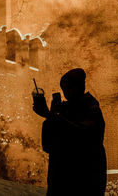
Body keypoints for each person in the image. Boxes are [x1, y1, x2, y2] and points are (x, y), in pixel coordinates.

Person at [32, 68, 107, 196]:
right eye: (64, 88)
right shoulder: (64, 110)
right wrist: (49, 116)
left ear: (80, 87)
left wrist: (52, 116)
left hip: (83, 182)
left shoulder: (90, 107)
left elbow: (83, 135)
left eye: (69, 87)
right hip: (60, 182)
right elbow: (48, 145)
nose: (66, 92)